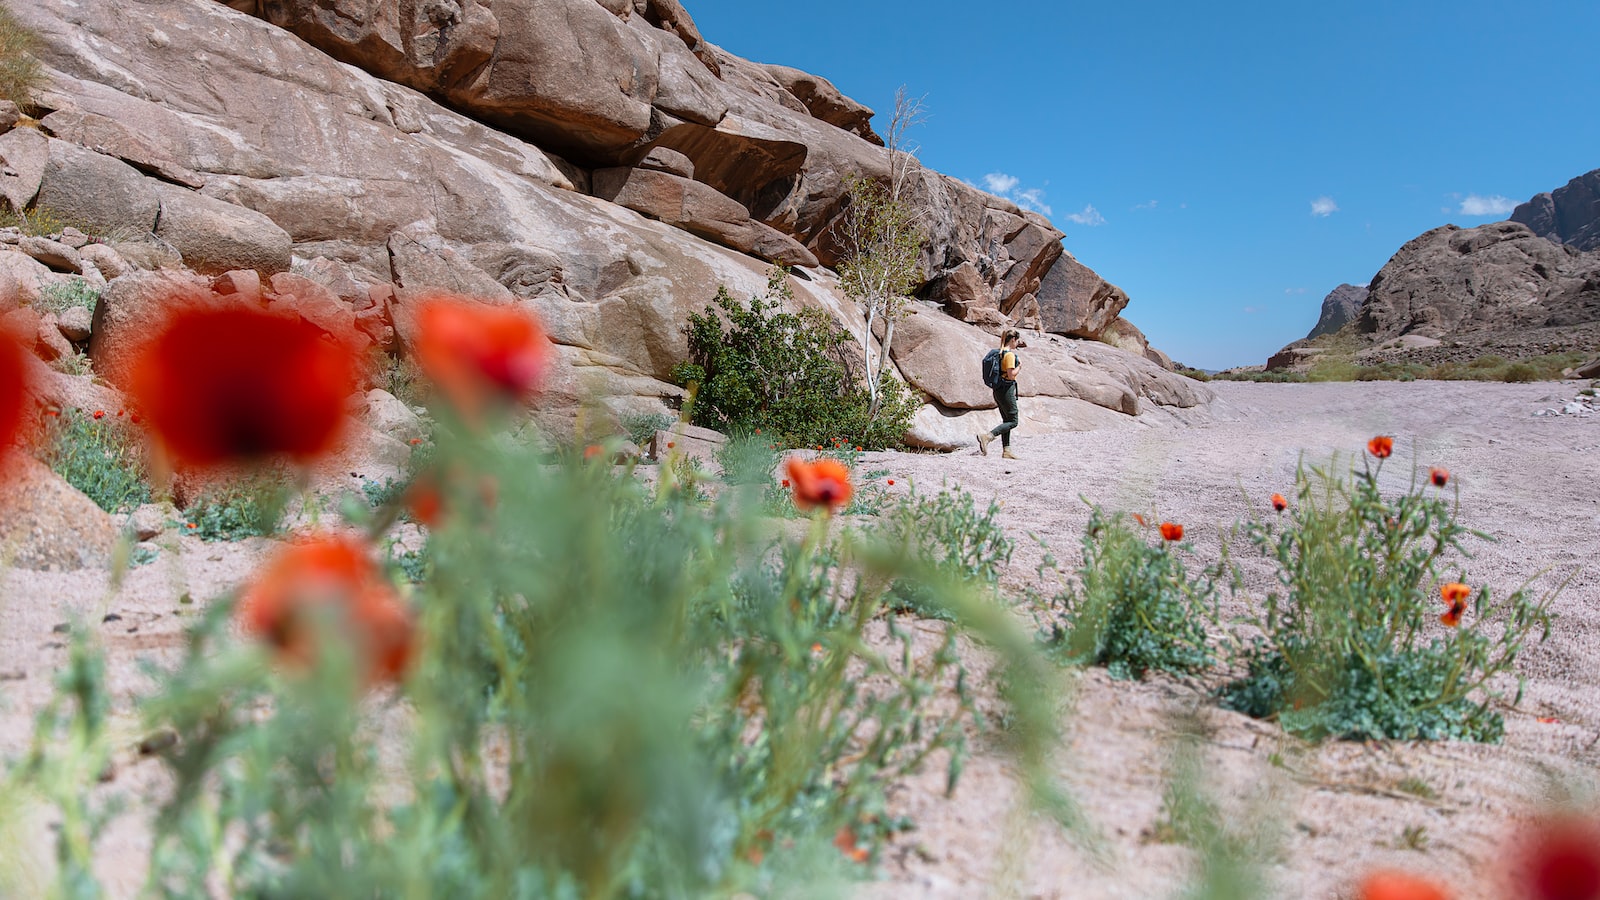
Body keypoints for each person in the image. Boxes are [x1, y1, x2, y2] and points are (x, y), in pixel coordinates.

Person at [977, 329, 1022, 459]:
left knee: (1006, 420)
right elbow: (1011, 375)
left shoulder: (1000, 353)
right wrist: (1020, 367)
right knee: (1013, 421)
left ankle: (1006, 450)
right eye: (1017, 341)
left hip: (998, 390)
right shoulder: (1009, 355)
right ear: (1013, 339)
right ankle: (987, 437)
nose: (1017, 343)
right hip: (1006, 390)